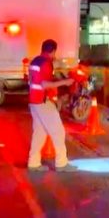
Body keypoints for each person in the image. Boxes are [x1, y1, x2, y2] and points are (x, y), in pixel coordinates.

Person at [27, 39, 77, 172]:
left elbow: (35, 80)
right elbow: (44, 84)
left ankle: (33, 162)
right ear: (53, 51)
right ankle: (62, 163)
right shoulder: (46, 63)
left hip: (33, 101)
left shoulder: (35, 61)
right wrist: (65, 82)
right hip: (43, 101)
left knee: (39, 133)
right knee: (58, 131)